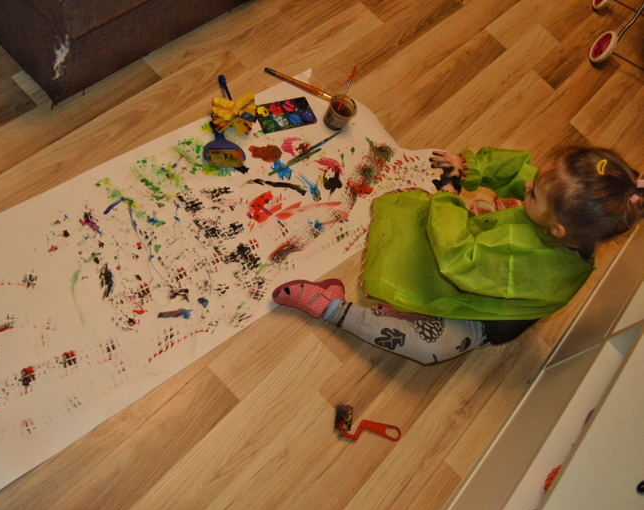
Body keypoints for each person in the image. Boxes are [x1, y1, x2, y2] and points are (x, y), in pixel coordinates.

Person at [272, 146, 643, 364]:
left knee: (427, 348)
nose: (528, 185)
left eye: (534, 194)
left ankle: (333, 309)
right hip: (483, 265)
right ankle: (414, 304)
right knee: (459, 223)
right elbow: (523, 172)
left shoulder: (533, 266)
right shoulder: (568, 219)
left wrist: (449, 193)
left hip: (479, 319)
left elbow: (457, 257)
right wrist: (470, 168)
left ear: (557, 229)